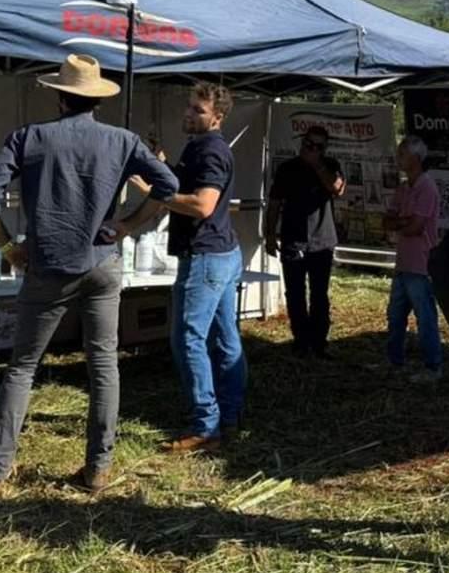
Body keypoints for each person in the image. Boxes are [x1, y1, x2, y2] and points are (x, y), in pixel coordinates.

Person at [0, 55, 178, 502]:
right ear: (95, 99)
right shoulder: (122, 141)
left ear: (59, 95)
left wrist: (8, 247)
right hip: (102, 263)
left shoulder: (30, 138)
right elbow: (168, 187)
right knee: (103, 365)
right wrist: (126, 225)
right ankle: (97, 469)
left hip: (46, 266)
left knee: (22, 368)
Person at [120, 82, 245, 453]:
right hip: (221, 253)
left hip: (206, 257)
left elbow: (202, 205)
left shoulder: (212, 152)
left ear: (217, 117)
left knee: (188, 340)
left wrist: (153, 191)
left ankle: (206, 426)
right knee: (224, 340)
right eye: (189, 107)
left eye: (198, 111)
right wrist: (161, 172)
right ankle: (231, 416)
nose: (188, 114)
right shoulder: (198, 147)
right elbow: (178, 191)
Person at [264, 125, 345, 358]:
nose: (312, 149)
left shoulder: (331, 166)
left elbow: (336, 188)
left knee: (319, 294)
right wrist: (270, 234)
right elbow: (275, 203)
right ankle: (301, 341)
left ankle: (319, 343)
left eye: (318, 146)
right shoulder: (287, 168)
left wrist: (317, 164)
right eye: (309, 144)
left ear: (324, 149)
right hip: (293, 240)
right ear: (302, 143)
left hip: (322, 241)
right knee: (295, 293)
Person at [383, 135, 442, 383]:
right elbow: (388, 220)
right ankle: (395, 361)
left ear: (416, 159)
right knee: (395, 315)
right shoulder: (405, 187)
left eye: (402, 155)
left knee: (425, 317)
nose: (398, 159)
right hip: (404, 263)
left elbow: (415, 227)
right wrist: (402, 222)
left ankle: (433, 366)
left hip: (421, 263)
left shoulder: (427, 187)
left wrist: (401, 222)